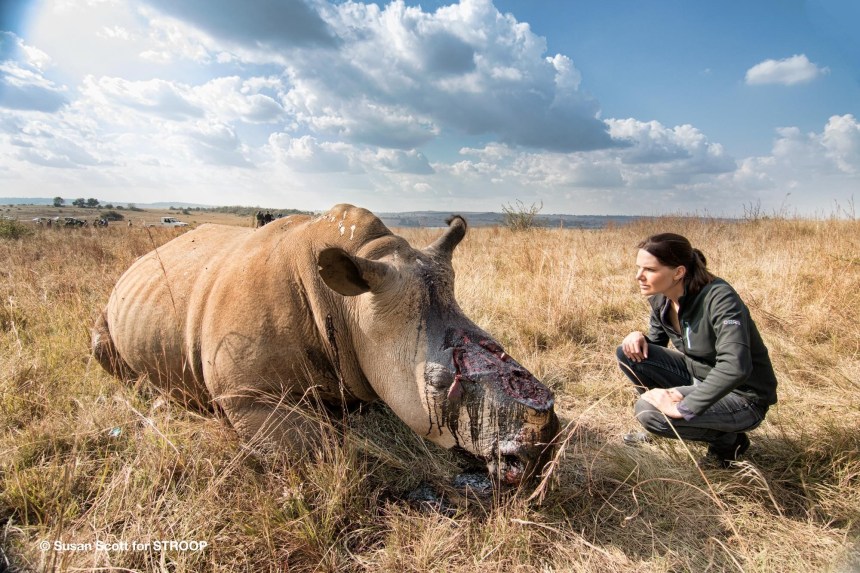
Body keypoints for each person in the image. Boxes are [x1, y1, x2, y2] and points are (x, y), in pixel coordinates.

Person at [616, 233, 778, 468]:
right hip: (699, 377)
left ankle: (728, 442)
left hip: (743, 396)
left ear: (678, 272)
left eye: (649, 269)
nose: (638, 276)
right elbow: (654, 347)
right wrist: (638, 337)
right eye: (638, 268)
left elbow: (735, 367)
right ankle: (673, 421)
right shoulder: (661, 298)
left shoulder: (720, 298)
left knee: (648, 412)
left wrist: (683, 407)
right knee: (627, 353)